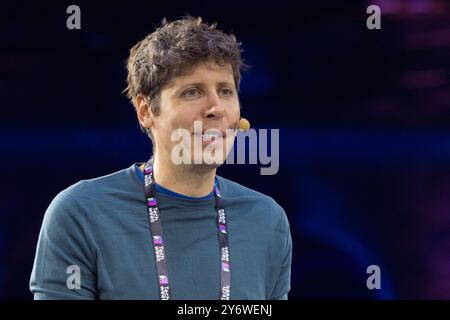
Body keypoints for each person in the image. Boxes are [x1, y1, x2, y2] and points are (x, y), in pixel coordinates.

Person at [30, 16, 292, 300]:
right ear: (145, 111)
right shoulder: (80, 213)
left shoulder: (268, 220)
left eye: (225, 91)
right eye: (192, 92)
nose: (215, 108)